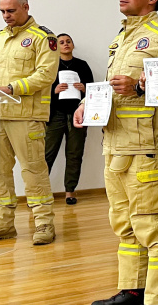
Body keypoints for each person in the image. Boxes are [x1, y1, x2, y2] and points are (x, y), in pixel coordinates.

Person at [74, 0, 158, 305]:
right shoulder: (121, 38)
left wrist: (138, 86)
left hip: (147, 146)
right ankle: (132, 291)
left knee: (154, 228)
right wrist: (85, 104)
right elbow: (112, 88)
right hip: (116, 143)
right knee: (125, 225)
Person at [0, 0, 58, 245]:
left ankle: (44, 223)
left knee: (33, 171)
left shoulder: (43, 38)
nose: (6, 16)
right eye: (2, 11)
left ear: (25, 7)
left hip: (26, 116)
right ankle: (2, 224)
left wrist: (12, 88)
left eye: (10, 10)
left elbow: (46, 75)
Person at [46, 33, 94, 204]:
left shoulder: (82, 65)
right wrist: (54, 90)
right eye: (61, 42)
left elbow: (93, 92)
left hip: (78, 114)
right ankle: (40, 194)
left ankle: (70, 192)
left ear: (73, 45)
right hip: (56, 114)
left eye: (68, 41)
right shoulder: (50, 65)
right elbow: (41, 90)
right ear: (56, 46)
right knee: (47, 154)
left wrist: (84, 88)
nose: (65, 44)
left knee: (74, 153)